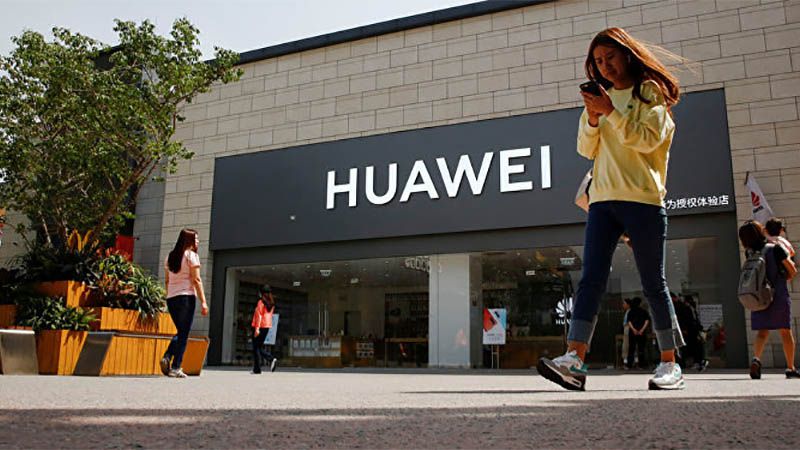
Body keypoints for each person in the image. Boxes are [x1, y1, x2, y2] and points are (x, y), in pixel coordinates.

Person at [537, 27, 686, 391]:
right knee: (590, 279)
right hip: (602, 201)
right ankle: (574, 359)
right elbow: (585, 149)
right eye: (598, 61)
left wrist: (610, 112)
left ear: (627, 55)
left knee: (653, 282)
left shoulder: (649, 92)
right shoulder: (600, 99)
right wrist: (593, 119)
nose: (604, 66)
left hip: (643, 199)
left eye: (610, 58)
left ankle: (670, 363)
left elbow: (647, 140)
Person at [738, 220, 799, 379]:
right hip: (778, 294)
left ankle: (756, 359)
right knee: (785, 331)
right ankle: (790, 368)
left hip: (758, 296)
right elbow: (792, 270)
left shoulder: (750, 253)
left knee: (762, 332)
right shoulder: (775, 248)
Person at [160, 229, 209, 378]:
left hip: (171, 298)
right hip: (186, 298)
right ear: (189, 241)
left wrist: (169, 295)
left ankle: (168, 358)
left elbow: (167, 280)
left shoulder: (169, 257)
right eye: (196, 239)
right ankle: (175, 366)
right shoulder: (191, 256)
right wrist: (204, 302)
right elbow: (196, 280)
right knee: (183, 333)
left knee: (181, 331)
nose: (198, 241)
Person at [251, 284, 278, 374]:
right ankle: (261, 365)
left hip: (259, 326)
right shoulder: (272, 303)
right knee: (258, 347)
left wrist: (257, 329)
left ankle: (265, 362)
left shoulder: (261, 302)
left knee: (256, 347)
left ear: (262, 293)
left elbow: (259, 315)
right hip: (266, 327)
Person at [682, 295, 709, 372]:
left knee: (694, 347)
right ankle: (699, 362)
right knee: (697, 346)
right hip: (695, 331)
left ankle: (697, 362)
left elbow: (690, 321)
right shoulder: (693, 308)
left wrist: (685, 329)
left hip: (692, 331)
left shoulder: (688, 309)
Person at [625, 297, 650, 370]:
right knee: (641, 349)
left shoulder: (630, 311)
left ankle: (629, 365)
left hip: (632, 333)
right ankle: (641, 365)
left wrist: (633, 330)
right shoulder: (644, 311)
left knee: (631, 349)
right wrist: (642, 330)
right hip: (642, 333)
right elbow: (647, 321)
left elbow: (629, 322)